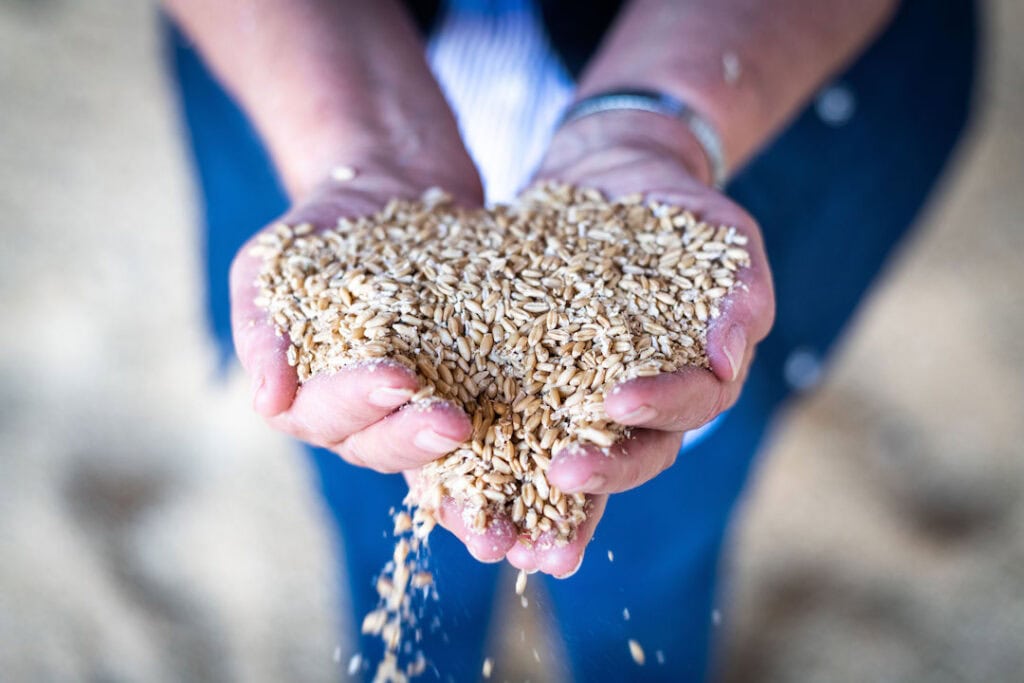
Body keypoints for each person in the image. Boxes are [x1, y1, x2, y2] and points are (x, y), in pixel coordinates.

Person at [163, 0, 976, 680]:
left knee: (657, 522)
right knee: (385, 497)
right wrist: (353, 136)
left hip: (746, 68)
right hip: (303, 81)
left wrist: (661, 119)